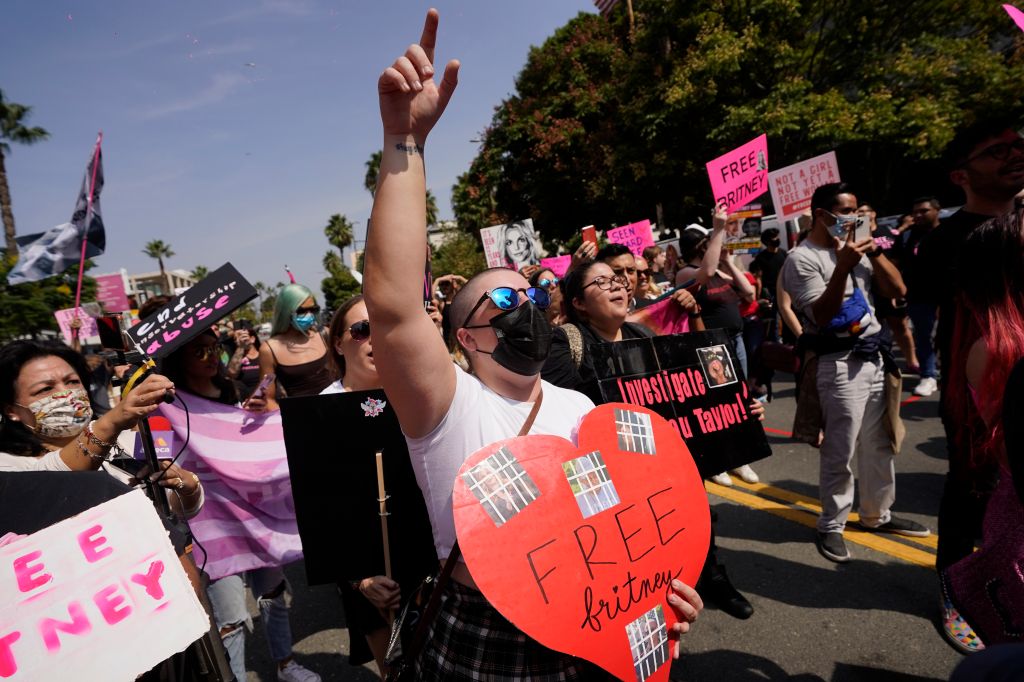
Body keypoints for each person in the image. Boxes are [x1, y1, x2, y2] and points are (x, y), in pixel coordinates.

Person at [364, 11, 703, 678]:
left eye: (531, 291)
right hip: (484, 636)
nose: (528, 305)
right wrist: (403, 142)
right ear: (465, 336)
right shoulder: (447, 407)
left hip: (593, 632)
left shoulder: (581, 412)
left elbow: (620, 533)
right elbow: (396, 306)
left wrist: (661, 597)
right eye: (504, 299)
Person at [780, 181, 929, 564]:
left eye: (856, 212)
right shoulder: (802, 259)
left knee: (880, 442)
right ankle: (832, 524)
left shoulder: (859, 250)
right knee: (840, 449)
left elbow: (897, 289)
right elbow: (821, 315)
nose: (852, 219)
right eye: (845, 212)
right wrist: (842, 268)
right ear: (822, 215)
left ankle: (878, 514)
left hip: (874, 356)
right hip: (839, 363)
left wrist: (872, 251)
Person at [162, 330, 321, 682]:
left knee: (273, 594)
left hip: (255, 516)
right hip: (213, 526)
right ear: (178, 358)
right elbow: (158, 459)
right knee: (230, 616)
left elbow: (250, 442)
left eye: (214, 348)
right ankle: (233, 677)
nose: (209, 356)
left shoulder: (231, 392)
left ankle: (285, 664)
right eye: (198, 350)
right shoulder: (167, 405)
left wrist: (263, 412)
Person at [921, 119, 1024, 653]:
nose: (1014, 155)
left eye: (1017, 145)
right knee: (970, 491)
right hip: (980, 390)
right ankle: (958, 591)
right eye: (996, 151)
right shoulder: (946, 240)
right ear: (962, 174)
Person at [320, 295, 438, 676]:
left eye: (384, 327)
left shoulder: (423, 392)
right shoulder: (322, 411)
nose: (375, 338)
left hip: (429, 558)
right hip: (367, 572)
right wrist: (360, 580)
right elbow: (319, 508)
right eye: (362, 330)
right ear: (338, 342)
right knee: (395, 671)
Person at [859, 203, 919, 378]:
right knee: (874, 329)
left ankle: (912, 361)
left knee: (900, 327)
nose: (863, 214)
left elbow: (899, 261)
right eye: (859, 212)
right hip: (870, 290)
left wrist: (894, 288)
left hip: (891, 289)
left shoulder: (890, 232)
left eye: (866, 211)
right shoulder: (857, 235)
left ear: (874, 213)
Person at [259, 284, 332, 409]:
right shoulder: (269, 350)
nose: (309, 315)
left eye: (313, 309)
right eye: (301, 311)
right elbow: (267, 397)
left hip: (339, 411)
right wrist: (290, 419)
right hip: (303, 421)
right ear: (286, 311)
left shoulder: (325, 334)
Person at [904, 196, 943, 396]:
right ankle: (928, 376)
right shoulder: (910, 236)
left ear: (937, 210)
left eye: (924, 211)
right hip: (918, 298)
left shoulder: (948, 233)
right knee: (923, 338)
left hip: (946, 298)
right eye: (915, 212)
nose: (918, 215)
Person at [226, 320, 263, 400]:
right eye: (235, 338)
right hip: (247, 403)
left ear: (252, 339)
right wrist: (241, 347)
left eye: (241, 336)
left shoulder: (264, 355)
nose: (238, 340)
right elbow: (232, 373)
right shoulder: (235, 357)